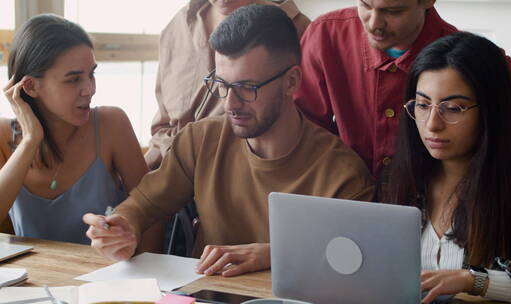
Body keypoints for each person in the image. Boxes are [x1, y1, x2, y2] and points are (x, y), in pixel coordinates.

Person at [84, 4, 374, 277]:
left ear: (292, 82)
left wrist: (275, 255)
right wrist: (121, 225)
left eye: (247, 87)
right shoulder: (200, 140)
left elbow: (354, 263)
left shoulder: (343, 173)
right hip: (202, 293)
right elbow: (143, 205)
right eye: (222, 85)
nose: (230, 104)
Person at [295, 0, 511, 178]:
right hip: (343, 200)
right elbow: (304, 130)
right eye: (366, 5)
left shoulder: (470, 60)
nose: (374, 24)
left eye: (393, 10)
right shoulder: (326, 34)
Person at [385, 32, 511, 303]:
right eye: (422, 105)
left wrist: (474, 280)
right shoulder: (400, 178)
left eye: (454, 108)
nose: (432, 123)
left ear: (490, 110)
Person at [0, 14, 159, 249]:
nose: (90, 89)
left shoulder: (112, 124)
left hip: (110, 277)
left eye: (92, 74)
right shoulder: (5, 135)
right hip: (34, 282)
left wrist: (145, 279)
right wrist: (30, 140)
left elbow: (151, 216)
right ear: (31, 86)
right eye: (73, 80)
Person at [145, 0, 310, 170]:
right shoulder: (177, 26)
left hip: (236, 178)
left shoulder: (301, 32)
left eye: (247, 86)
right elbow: (162, 125)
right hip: (167, 171)